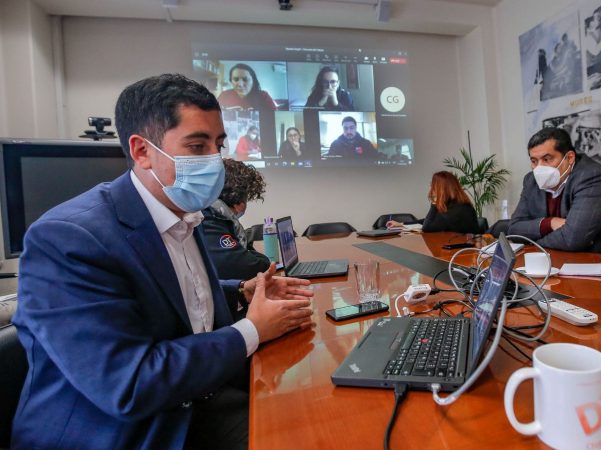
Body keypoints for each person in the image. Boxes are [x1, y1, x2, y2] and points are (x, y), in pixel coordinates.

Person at [11, 74, 315, 449]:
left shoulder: (181, 210)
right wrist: (253, 330)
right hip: (136, 431)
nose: (214, 160)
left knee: (316, 414)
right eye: (197, 145)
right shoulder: (66, 239)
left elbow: (163, 291)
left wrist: (241, 293)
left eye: (218, 144)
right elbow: (130, 384)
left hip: (198, 397)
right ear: (142, 151)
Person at [508, 127, 601, 255]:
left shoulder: (594, 177)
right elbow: (514, 229)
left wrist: (531, 243)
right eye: (534, 161)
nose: (539, 168)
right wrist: (549, 223)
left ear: (569, 158)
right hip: (558, 259)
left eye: (547, 159)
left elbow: (572, 238)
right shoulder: (531, 181)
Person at [202, 158, 270, 281]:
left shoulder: (215, 214)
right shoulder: (210, 219)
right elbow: (249, 266)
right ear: (238, 197)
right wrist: (264, 260)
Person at [387, 171, 480, 234]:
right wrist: (402, 224)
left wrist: (434, 202)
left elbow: (427, 228)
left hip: (464, 254)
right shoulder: (452, 204)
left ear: (441, 188)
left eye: (433, 185)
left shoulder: (459, 208)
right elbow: (427, 221)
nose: (431, 188)